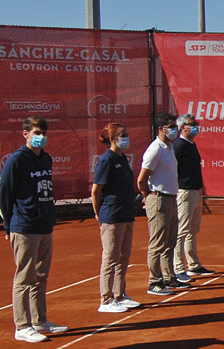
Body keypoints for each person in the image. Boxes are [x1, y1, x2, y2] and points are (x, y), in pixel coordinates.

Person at [0, 115, 64, 343]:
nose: (41, 137)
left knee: (41, 275)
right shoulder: (17, 160)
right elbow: (5, 192)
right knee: (24, 276)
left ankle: (40, 320)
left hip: (45, 225)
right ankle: (22, 325)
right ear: (26, 134)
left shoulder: (46, 159)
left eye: (44, 133)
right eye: (36, 133)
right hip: (24, 226)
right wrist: (7, 225)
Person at [91, 123, 140, 313]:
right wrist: (98, 213)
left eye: (126, 134)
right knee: (110, 258)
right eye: (123, 135)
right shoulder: (106, 160)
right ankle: (106, 299)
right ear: (112, 140)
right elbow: (96, 191)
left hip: (126, 214)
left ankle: (120, 294)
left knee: (123, 256)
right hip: (111, 215)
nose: (127, 138)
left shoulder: (123, 158)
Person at [137, 114, 181, 295]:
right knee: (157, 242)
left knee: (170, 242)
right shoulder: (154, 149)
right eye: (171, 126)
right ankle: (154, 281)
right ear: (161, 129)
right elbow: (142, 179)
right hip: (158, 199)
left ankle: (169, 277)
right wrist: (147, 196)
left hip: (171, 198)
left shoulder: (169, 148)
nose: (174, 130)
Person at [172, 113, 212, 278]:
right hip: (184, 192)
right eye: (192, 124)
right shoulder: (178, 146)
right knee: (181, 230)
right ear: (183, 127)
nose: (195, 126)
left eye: (196, 123)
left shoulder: (191, 145)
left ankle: (194, 265)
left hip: (195, 191)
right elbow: (173, 171)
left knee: (192, 230)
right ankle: (178, 268)